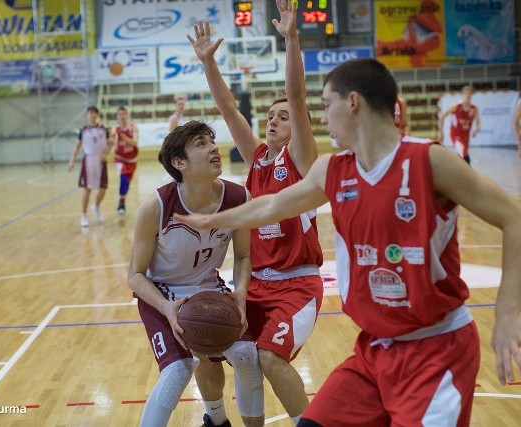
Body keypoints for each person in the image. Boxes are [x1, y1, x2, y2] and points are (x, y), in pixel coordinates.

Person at [174, 58, 521, 427]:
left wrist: (507, 313)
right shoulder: (333, 169)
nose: (321, 119)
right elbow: (273, 205)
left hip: (436, 349)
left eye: (325, 106)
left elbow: (513, 216)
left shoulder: (431, 160)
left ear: (352, 103)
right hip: (373, 349)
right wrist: (213, 220)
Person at [187, 1, 323, 424]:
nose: (273, 120)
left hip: (297, 284)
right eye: (269, 115)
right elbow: (229, 110)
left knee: (270, 359)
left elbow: (297, 97)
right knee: (245, 358)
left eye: (282, 117)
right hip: (257, 285)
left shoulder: (301, 159)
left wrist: (292, 39)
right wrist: (209, 63)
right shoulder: (260, 158)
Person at [128, 120, 264, 427]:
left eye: (211, 141)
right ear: (180, 163)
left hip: (208, 287)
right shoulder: (157, 205)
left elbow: (243, 256)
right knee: (178, 371)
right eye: (200, 144)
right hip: (161, 293)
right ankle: (215, 418)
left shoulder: (239, 198)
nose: (213, 148)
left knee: (246, 357)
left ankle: (219, 422)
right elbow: (135, 275)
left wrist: (240, 293)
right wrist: (166, 308)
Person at [68, 106, 112, 227]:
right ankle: (83, 215)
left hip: (100, 160)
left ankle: (96, 207)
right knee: (87, 190)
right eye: (90, 113)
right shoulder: (83, 130)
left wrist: (106, 153)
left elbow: (110, 144)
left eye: (94, 113)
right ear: (87, 115)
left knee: (102, 189)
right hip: (88, 160)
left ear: (97, 115)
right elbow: (77, 147)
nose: (92, 115)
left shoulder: (104, 129)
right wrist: (71, 160)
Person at [438, 84, 481, 164]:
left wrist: (476, 130)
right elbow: (442, 117)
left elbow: (478, 123)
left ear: (472, 94)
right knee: (463, 154)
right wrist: (440, 132)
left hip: (466, 135)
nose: (468, 95)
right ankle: (467, 173)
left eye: (470, 93)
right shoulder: (457, 106)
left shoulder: (474, 108)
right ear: (463, 94)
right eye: (466, 93)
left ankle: (459, 171)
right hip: (456, 134)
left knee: (463, 154)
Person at [111, 106, 139, 215]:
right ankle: (121, 203)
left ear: (126, 115)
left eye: (123, 113)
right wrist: (112, 140)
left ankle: (122, 199)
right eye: (119, 114)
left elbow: (135, 143)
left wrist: (126, 139)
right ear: (117, 117)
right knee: (123, 178)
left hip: (132, 160)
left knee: (126, 182)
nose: (122, 116)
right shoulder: (115, 129)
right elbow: (112, 141)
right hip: (120, 159)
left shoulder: (133, 127)